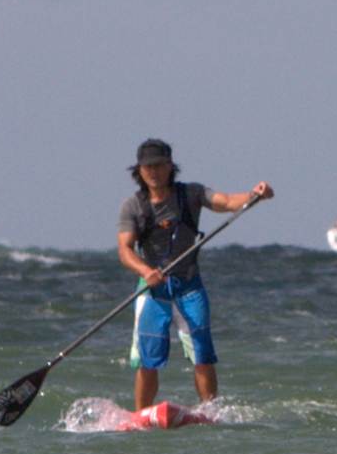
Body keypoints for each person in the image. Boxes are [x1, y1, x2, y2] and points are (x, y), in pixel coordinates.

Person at [116, 138, 273, 409]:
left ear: (170, 166)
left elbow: (225, 202)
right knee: (148, 357)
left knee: (203, 353)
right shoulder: (133, 206)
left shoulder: (192, 194)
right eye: (148, 167)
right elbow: (124, 250)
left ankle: (210, 411)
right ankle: (141, 416)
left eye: (159, 165)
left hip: (189, 286)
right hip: (152, 289)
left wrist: (254, 195)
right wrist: (145, 270)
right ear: (139, 171)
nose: (153, 172)